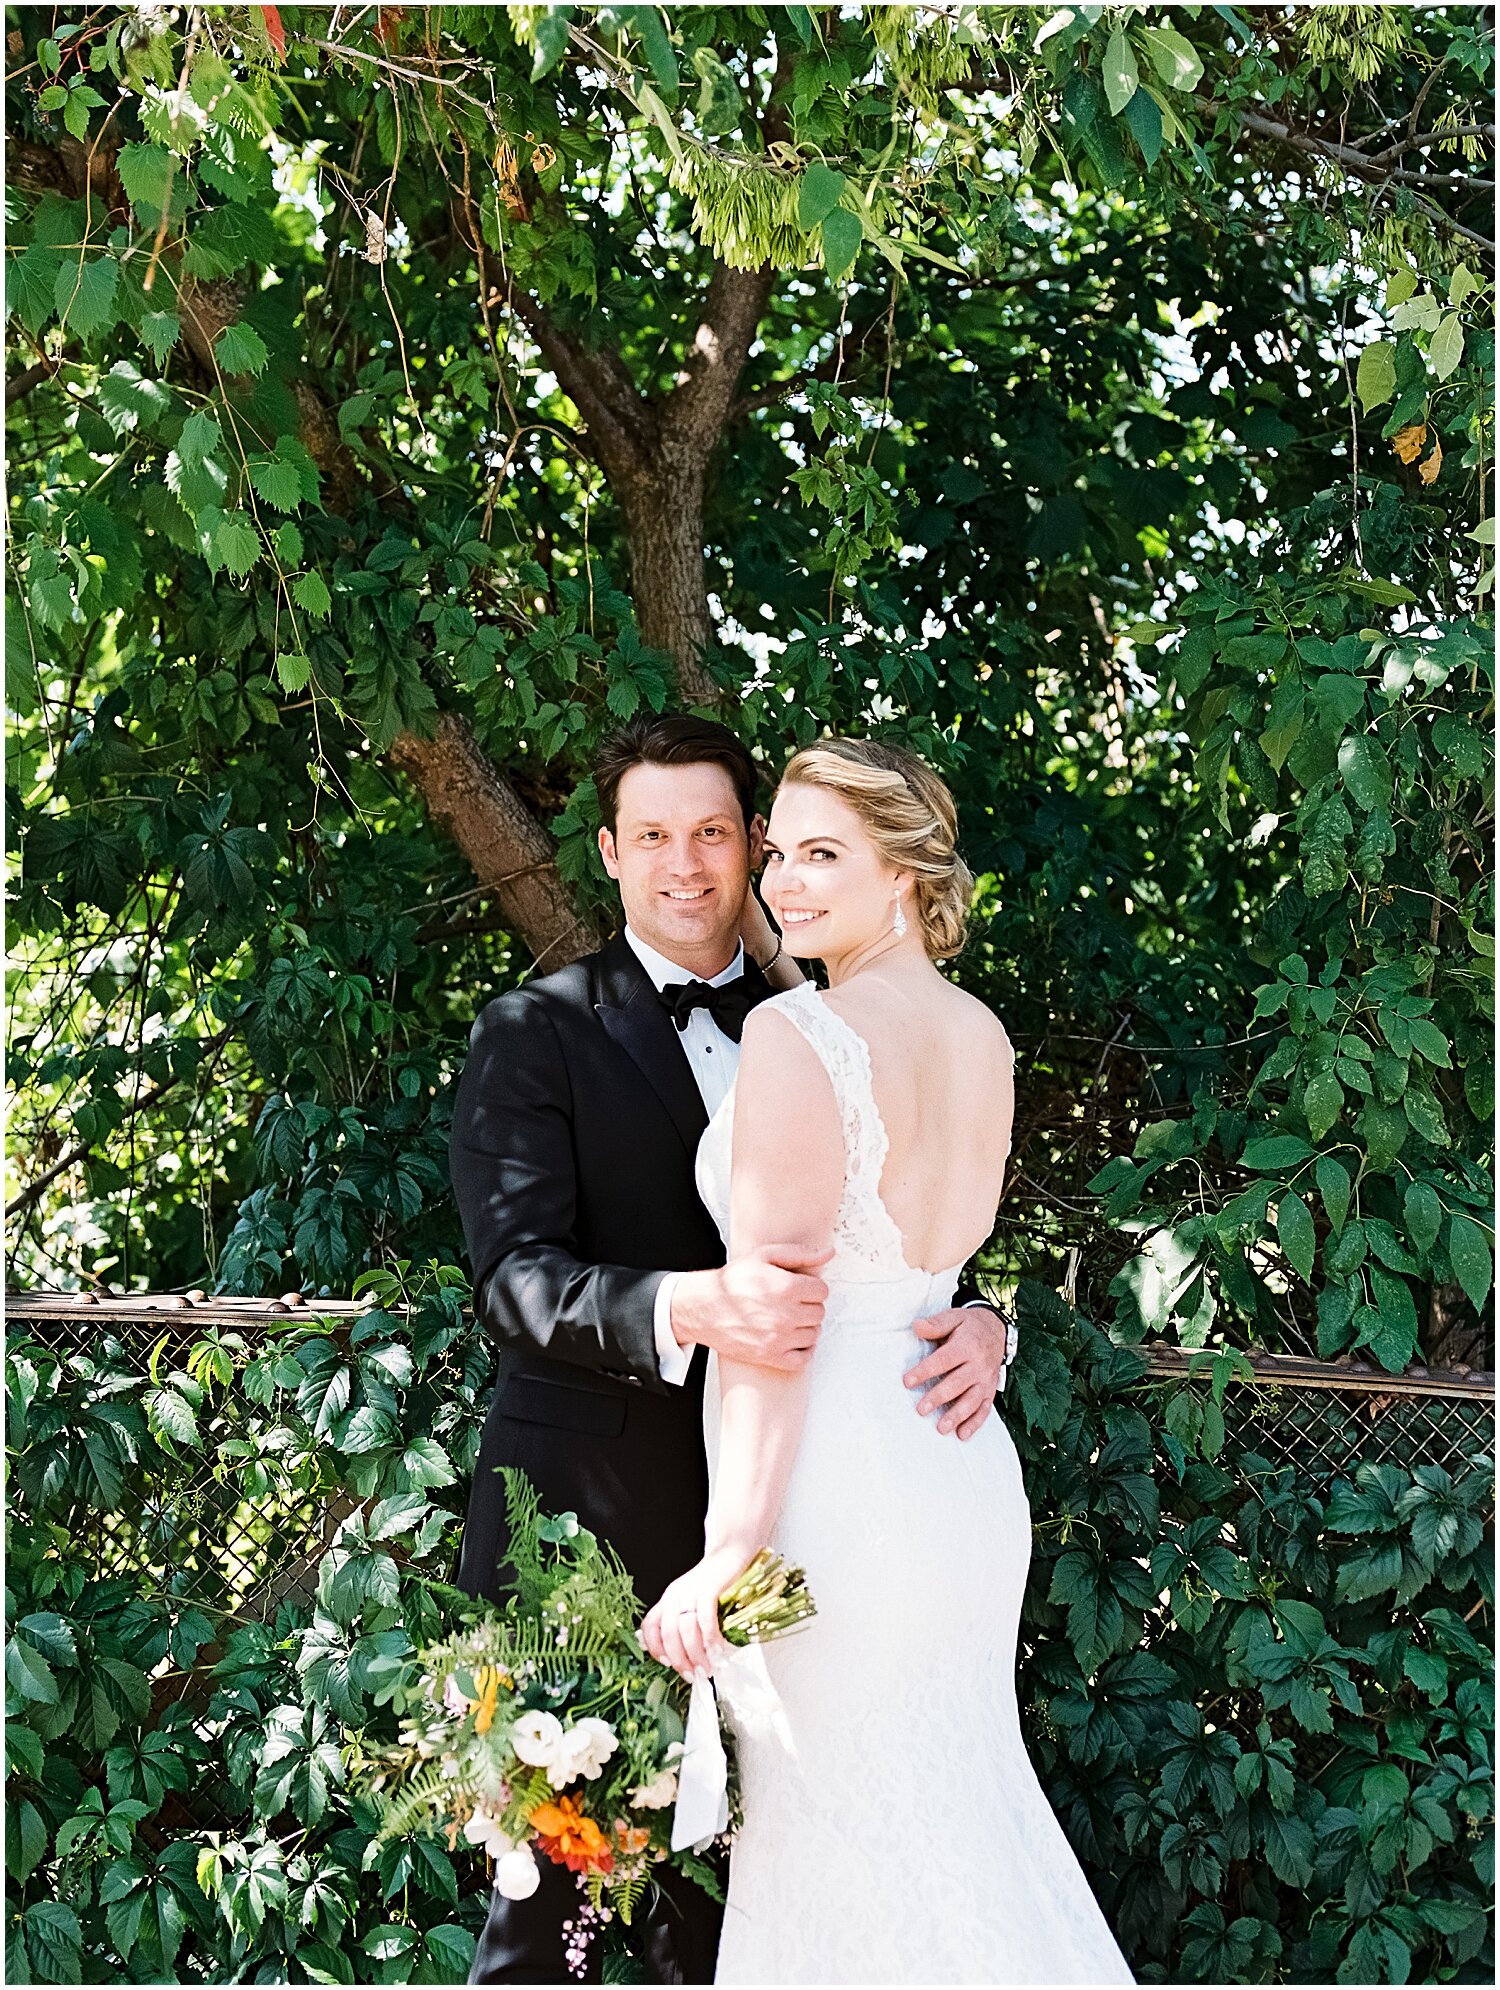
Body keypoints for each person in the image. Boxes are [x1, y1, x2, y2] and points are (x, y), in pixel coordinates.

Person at [448, 715, 1015, 1984]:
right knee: (556, 1917)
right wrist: (694, 1306)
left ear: (749, 841)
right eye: (653, 835)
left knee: (745, 1914)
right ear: (608, 851)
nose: (688, 865)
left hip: (812, 1530)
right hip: (589, 1532)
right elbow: (511, 1279)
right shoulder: (535, 1031)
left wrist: (988, 1320)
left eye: (714, 833)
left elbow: (899, 1244)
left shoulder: (822, 1015)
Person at [641, 739, 1133, 1987]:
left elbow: (774, 1316)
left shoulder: (803, 1034)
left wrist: (729, 1553)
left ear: (906, 873)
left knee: (842, 1842)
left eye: (823, 855)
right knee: (951, 1818)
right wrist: (995, 1325)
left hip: (843, 1486)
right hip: (955, 1469)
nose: (785, 886)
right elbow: (935, 1272)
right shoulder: (981, 1036)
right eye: (780, 854)